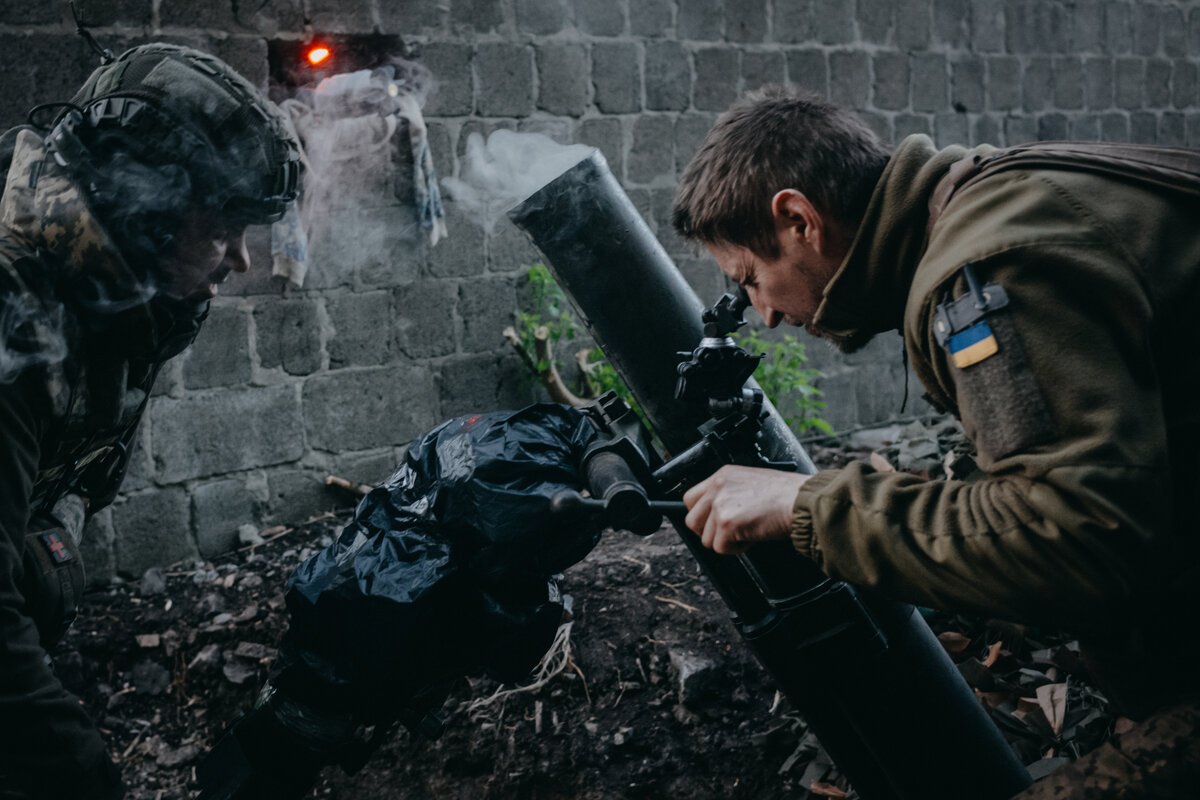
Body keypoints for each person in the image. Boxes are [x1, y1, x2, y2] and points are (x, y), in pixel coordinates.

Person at [675, 85, 1200, 798]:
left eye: (750, 277)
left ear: (798, 219)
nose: (762, 313)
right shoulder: (1001, 188)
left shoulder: (988, 266)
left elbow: (1081, 537)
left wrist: (808, 502)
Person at [0, 43, 298, 799]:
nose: (239, 259)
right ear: (148, 212)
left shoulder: (105, 277)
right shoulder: (12, 315)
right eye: (223, 228)